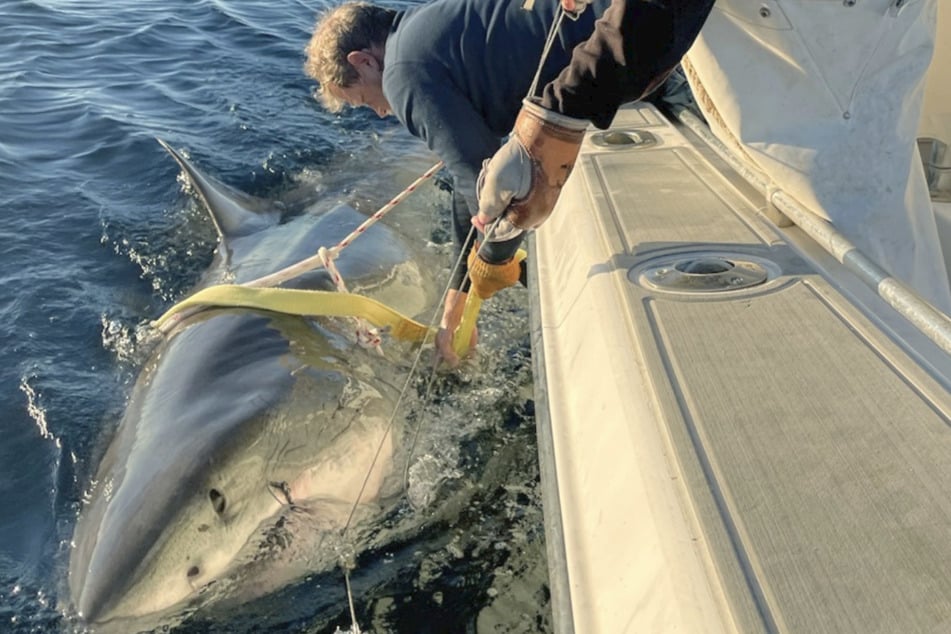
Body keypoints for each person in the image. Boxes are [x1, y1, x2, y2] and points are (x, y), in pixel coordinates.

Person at [306, 0, 715, 365]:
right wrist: (459, 287)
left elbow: (486, 185)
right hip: (657, 39)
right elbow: (472, 175)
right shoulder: (425, 28)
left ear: (363, 61)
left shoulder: (402, 75)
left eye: (362, 99)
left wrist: (482, 281)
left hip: (646, 44)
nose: (379, 113)